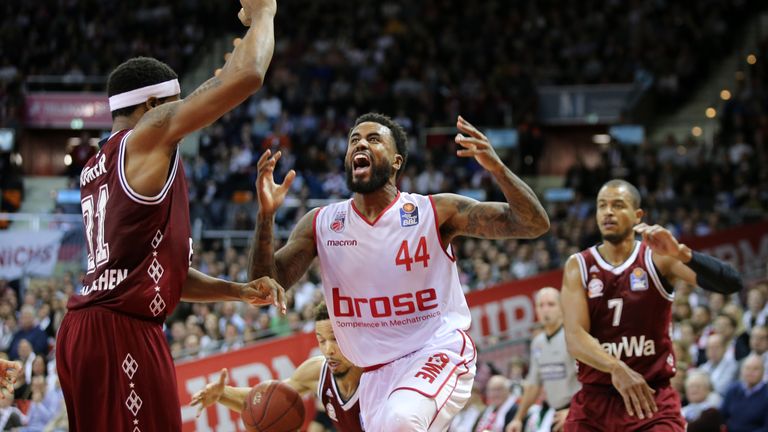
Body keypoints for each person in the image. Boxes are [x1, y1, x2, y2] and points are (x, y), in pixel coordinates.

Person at [54, 1, 286, 430]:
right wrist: (265, 13)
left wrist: (238, 291)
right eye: (176, 105)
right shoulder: (145, 138)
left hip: (91, 328)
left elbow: (159, 275)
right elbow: (248, 75)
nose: (184, 115)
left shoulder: (96, 166)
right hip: (119, 331)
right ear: (152, 106)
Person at [249, 113, 550, 431]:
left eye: (373, 139)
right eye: (354, 140)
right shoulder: (321, 224)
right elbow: (262, 288)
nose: (360, 144)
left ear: (396, 162)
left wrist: (498, 169)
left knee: (401, 419)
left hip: (436, 350)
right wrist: (265, 216)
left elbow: (533, 223)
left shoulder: (434, 212)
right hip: (374, 374)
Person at [560, 179, 743, 432]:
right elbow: (575, 337)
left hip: (651, 399)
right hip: (595, 402)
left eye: (618, 205)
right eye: (602, 206)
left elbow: (731, 283)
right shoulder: (578, 265)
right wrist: (616, 367)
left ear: (638, 216)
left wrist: (681, 252)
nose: (608, 212)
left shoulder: (658, 257)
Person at [190, 302, 364, 432]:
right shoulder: (317, 372)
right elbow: (265, 401)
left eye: (335, 339)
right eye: (321, 340)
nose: (328, 349)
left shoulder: (374, 372)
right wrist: (223, 394)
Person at [507, 287, 580, 432]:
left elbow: (590, 382)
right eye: (541, 305)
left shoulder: (573, 338)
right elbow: (533, 385)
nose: (545, 309)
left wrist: (576, 411)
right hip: (556, 414)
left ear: (562, 308)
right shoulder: (537, 343)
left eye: (551, 304)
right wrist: (518, 418)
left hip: (578, 411)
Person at [720, 354, 768, 432]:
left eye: (755, 369)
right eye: (747, 368)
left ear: (763, 371)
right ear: (741, 370)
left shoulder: (766, 394)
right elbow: (721, 416)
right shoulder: (733, 389)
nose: (750, 372)